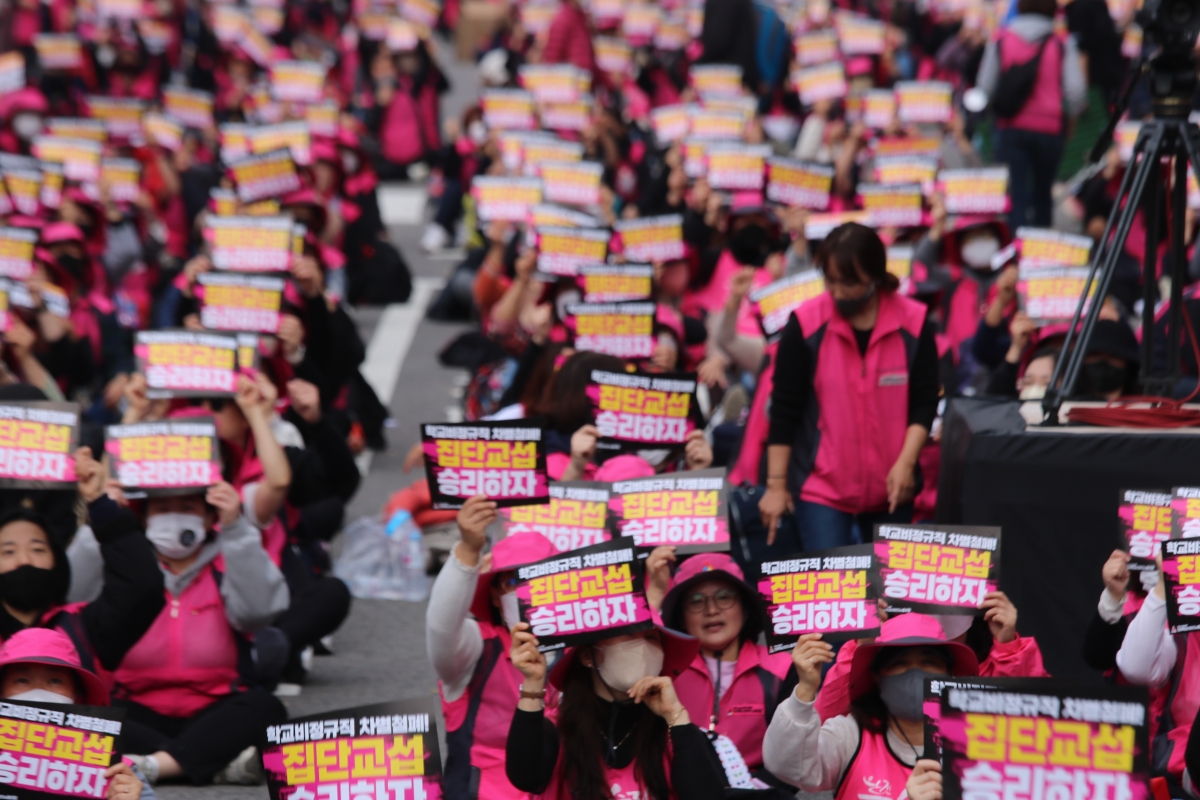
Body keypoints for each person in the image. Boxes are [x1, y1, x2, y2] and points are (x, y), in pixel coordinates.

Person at [758, 223, 939, 550]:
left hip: (894, 487)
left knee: (888, 582)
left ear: (874, 276)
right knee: (832, 581)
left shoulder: (913, 323)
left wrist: (907, 463)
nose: (838, 292)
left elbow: (925, 401)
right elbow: (784, 409)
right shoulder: (805, 325)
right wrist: (775, 485)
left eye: (850, 282)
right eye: (830, 280)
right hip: (820, 490)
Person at [112, 480, 289, 786]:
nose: (174, 516)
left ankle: (155, 764)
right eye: (162, 508)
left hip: (214, 709)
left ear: (208, 518)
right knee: (88, 719)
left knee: (266, 708)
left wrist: (236, 528)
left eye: (187, 507)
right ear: (143, 517)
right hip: (136, 708)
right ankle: (208, 763)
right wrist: (100, 519)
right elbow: (72, 593)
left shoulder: (227, 560)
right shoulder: (124, 563)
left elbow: (261, 612)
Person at [426, 495, 560, 800]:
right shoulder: (478, 648)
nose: (527, 591)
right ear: (496, 595)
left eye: (540, 577)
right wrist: (468, 550)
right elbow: (441, 627)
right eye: (514, 580)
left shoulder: (585, 653)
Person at [761, 614, 979, 798]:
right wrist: (806, 689)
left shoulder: (978, 742)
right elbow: (786, 765)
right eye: (899, 663)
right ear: (877, 677)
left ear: (949, 674)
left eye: (928, 662)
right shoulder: (850, 736)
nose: (914, 673)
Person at [505, 620, 728, 800]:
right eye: (629, 634)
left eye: (651, 638)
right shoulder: (555, 731)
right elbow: (524, 777)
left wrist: (676, 716)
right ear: (587, 655)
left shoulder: (678, 734)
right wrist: (533, 681)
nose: (642, 648)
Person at [0, 446, 164, 680]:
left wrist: (101, 505)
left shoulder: (86, 628)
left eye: (38, 549)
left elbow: (141, 584)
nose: (24, 560)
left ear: (57, 561)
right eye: (8, 552)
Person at [649, 550, 794, 780]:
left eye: (724, 597)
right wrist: (655, 594)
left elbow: (795, 757)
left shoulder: (783, 668)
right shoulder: (660, 667)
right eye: (696, 601)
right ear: (681, 617)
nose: (712, 610)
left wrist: (753, 792)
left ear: (745, 608)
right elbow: (632, 652)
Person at [813, 596, 1048, 721]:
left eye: (929, 661)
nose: (935, 625)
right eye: (901, 662)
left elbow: (1041, 724)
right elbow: (824, 725)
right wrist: (862, 649)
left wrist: (1009, 649)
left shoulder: (997, 661)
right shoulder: (878, 661)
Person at [0, 628, 151, 800]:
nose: (38, 692)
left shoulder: (117, 773)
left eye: (55, 681)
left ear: (77, 696)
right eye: (22, 680)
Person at [975, 0, 1087, 229]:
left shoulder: (1001, 38)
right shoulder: (1061, 42)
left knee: (1015, 196)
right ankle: (1040, 244)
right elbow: (1077, 92)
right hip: (1050, 129)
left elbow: (984, 88)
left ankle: (1016, 246)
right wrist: (1070, 119)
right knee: (1043, 196)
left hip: (1010, 127)